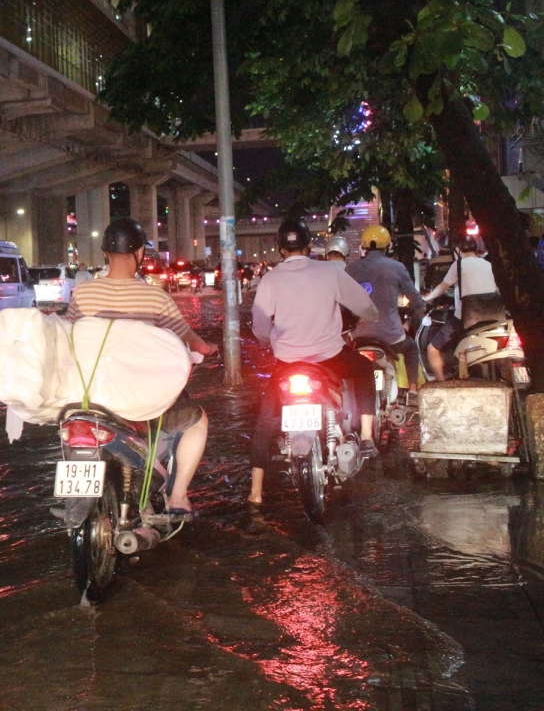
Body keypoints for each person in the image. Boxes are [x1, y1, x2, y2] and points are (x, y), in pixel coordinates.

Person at [65, 218, 218, 516]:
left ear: (105, 253)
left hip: (92, 397)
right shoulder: (154, 297)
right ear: (139, 254)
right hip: (140, 400)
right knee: (197, 421)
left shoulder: (83, 294)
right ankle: (177, 496)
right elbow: (193, 342)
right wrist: (208, 349)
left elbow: (69, 338)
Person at [248, 219, 380, 506]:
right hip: (330, 358)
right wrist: (372, 315)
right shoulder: (329, 271)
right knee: (364, 368)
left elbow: (259, 326)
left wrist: (270, 341)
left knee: (267, 418)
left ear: (281, 249)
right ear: (309, 246)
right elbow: (363, 305)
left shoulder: (270, 279)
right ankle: (367, 437)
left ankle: (255, 491)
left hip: (287, 363)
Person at [346, 225, 427, 401]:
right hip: (390, 337)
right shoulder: (396, 267)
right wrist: (416, 315)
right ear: (388, 246)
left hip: (358, 337)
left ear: (364, 247)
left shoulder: (350, 269)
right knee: (411, 348)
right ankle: (412, 391)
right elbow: (416, 301)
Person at [422, 235, 500, 382]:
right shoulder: (486, 264)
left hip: (467, 318)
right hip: (492, 318)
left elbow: (441, 288)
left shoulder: (458, 265)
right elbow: (496, 289)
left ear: (458, 250)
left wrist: (426, 298)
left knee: (432, 348)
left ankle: (442, 384)